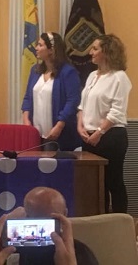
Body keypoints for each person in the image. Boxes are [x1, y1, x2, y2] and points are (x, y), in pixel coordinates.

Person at [77, 34, 132, 213]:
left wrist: (99, 132)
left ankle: (119, 223)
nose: (90, 52)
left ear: (106, 52)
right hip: (89, 135)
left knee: (112, 181)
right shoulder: (93, 75)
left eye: (95, 49)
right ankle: (99, 220)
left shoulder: (119, 77)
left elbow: (117, 111)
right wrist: (80, 125)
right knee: (94, 183)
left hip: (110, 136)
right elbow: (82, 105)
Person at [22, 32, 81, 151]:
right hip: (36, 134)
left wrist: (59, 125)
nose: (36, 48)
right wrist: (26, 120)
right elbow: (28, 98)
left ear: (51, 50)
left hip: (58, 134)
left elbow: (72, 101)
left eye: (40, 45)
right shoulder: (35, 70)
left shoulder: (68, 72)